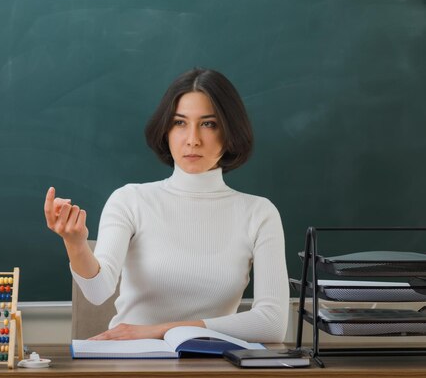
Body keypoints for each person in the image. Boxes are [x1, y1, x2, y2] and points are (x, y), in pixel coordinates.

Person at [43, 68, 289, 343]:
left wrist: (160, 330)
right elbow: (98, 292)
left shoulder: (259, 213)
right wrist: (75, 244)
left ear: (230, 132)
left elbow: (273, 323)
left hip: (213, 365)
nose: (192, 139)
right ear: (166, 129)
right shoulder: (130, 200)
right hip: (133, 364)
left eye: (208, 124)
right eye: (180, 123)